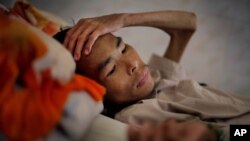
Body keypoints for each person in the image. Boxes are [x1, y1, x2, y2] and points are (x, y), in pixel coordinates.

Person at [53, 10, 250, 141]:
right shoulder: (136, 115)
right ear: (96, 91)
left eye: (123, 48)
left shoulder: (153, 80)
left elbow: (187, 25)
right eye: (111, 69)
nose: (133, 64)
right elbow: (223, 135)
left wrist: (123, 19)